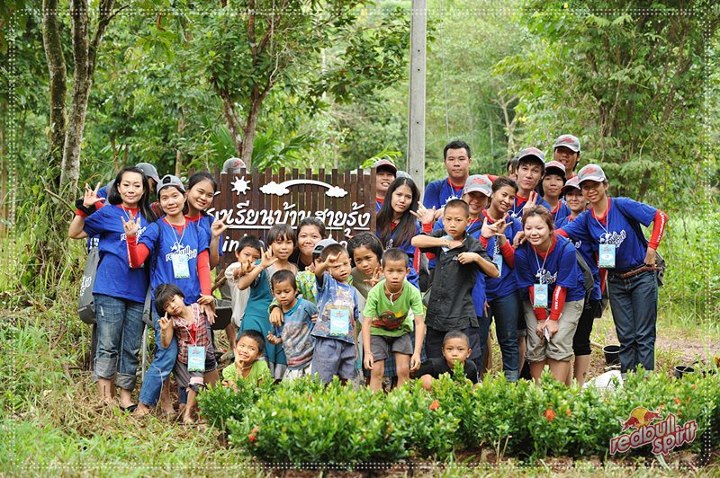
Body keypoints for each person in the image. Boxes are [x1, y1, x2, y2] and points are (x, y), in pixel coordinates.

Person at [557, 164, 668, 375]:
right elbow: (560, 234)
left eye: (595, 185)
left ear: (605, 185)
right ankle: (628, 382)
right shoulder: (586, 219)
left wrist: (652, 248)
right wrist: (532, 233)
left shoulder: (621, 205)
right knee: (625, 336)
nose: (591, 190)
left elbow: (660, 217)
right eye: (586, 187)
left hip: (641, 275)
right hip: (616, 280)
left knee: (643, 334)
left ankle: (646, 384)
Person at [125, 174, 215, 418]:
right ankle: (145, 404)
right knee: (167, 354)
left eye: (174, 196)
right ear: (160, 202)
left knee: (195, 356)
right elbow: (137, 260)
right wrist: (132, 238)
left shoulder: (197, 229)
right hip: (166, 306)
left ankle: (188, 405)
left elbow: (203, 264)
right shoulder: (156, 228)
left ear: (184, 197)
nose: (170, 201)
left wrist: (206, 295)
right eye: (164, 198)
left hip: (191, 304)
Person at [68, 167, 157, 410]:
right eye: (126, 184)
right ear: (118, 187)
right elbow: (74, 232)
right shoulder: (108, 213)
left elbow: (140, 259)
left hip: (137, 291)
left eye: (137, 185)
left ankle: (125, 396)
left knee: (131, 347)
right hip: (108, 288)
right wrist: (83, 209)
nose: (131, 189)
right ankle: (105, 397)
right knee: (107, 343)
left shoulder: (149, 220)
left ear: (144, 190)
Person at [411, 199, 499, 363]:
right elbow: (416, 241)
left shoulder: (472, 244)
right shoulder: (440, 237)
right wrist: (445, 242)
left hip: (462, 315)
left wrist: (476, 258)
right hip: (437, 314)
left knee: (465, 365)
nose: (453, 224)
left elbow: (495, 272)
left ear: (468, 221)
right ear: (443, 220)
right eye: (448, 219)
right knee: (435, 363)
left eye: (458, 220)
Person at [514, 206, 585, 383]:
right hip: (536, 298)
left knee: (559, 339)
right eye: (528, 228)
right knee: (536, 340)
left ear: (550, 229)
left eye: (539, 228)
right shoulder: (522, 252)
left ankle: (556, 392)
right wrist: (540, 318)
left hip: (569, 297)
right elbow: (531, 287)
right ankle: (540, 393)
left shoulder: (566, 249)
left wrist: (553, 319)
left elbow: (562, 287)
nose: (533, 233)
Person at [235, 224, 298, 380]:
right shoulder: (261, 264)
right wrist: (262, 266)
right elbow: (242, 284)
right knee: (251, 361)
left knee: (278, 371)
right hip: (256, 320)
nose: (284, 247)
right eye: (279, 242)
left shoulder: (295, 269)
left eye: (288, 242)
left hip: (279, 323)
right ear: (270, 244)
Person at [557, 177, 603, 387]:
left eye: (578, 194)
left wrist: (599, 291)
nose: (574, 198)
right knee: (564, 338)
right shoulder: (559, 223)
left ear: (586, 197)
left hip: (587, 289)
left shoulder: (594, 223)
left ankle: (579, 385)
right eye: (570, 194)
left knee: (582, 339)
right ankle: (566, 386)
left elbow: (603, 262)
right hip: (562, 290)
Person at [479, 177, 524, 382]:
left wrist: (503, 240)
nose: (507, 200)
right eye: (503, 195)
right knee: (479, 339)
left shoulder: (514, 223)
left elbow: (515, 262)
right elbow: (473, 257)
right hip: (482, 291)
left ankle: (511, 384)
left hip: (506, 289)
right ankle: (477, 382)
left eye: (511, 197)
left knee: (509, 338)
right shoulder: (478, 220)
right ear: (492, 194)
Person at [362, 248, 426, 392]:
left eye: (399, 271)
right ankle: (374, 403)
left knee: (403, 370)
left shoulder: (412, 292)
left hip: (401, 330)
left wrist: (416, 353)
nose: (395, 276)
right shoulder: (375, 292)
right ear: (382, 271)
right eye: (390, 271)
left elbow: (419, 322)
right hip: (377, 331)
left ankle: (400, 403)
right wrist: (368, 353)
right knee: (376, 371)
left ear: (407, 272)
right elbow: (366, 323)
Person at [154, 283, 215, 424]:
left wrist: (211, 302)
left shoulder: (198, 308)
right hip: (187, 358)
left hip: (205, 355)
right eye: (167, 306)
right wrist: (164, 330)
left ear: (181, 296)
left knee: (208, 388)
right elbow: (166, 343)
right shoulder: (174, 322)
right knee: (195, 383)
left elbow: (212, 311)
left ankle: (196, 414)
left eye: (173, 300)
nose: (173, 306)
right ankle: (188, 414)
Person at [311, 243, 362, 384]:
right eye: (336, 267)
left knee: (347, 379)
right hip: (327, 339)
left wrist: (354, 345)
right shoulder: (327, 283)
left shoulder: (353, 291)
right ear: (328, 269)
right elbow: (318, 273)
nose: (342, 269)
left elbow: (354, 321)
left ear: (350, 262)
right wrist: (325, 264)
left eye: (345, 264)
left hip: (347, 341)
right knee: (322, 380)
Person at [266, 270, 318, 380]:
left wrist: (319, 320)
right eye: (278, 293)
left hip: (312, 360)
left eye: (287, 291)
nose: (283, 296)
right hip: (292, 363)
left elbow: (320, 318)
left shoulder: (305, 306)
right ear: (273, 294)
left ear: (295, 291)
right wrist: (275, 340)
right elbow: (281, 336)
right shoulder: (277, 316)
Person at [376, 177, 422, 288]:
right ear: (390, 195)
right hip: (377, 273)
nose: (402, 200)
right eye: (399, 194)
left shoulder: (414, 226)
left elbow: (408, 259)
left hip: (403, 276)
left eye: (408, 197)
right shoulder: (376, 220)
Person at [413, 331, 479, 390]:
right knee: (426, 380)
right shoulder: (433, 365)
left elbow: (474, 385)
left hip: (460, 395)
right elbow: (414, 377)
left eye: (460, 349)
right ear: (443, 351)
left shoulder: (471, 367)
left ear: (468, 353)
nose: (454, 354)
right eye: (450, 349)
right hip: (436, 395)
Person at [224, 235, 263, 332]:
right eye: (247, 255)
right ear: (237, 253)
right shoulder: (234, 266)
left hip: (256, 320)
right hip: (240, 321)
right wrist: (243, 270)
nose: (250, 260)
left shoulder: (260, 271)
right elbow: (236, 272)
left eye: (255, 257)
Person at [423, 140, 473, 213]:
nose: (456, 163)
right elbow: (428, 216)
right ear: (445, 163)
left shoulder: (479, 188)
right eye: (451, 159)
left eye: (461, 159)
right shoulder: (435, 188)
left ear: (470, 162)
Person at [509, 147, 551, 219]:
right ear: (516, 170)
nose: (528, 175)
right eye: (525, 169)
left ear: (542, 175)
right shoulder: (503, 196)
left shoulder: (543, 207)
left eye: (535, 171)